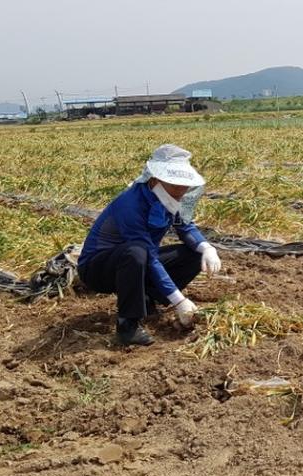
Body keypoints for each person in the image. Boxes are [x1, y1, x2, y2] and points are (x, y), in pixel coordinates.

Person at [78, 145, 222, 346]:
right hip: (98, 268)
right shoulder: (130, 205)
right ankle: (127, 326)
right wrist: (179, 301)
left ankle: (148, 298)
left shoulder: (168, 198)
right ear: (155, 180)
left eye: (184, 185)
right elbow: (148, 255)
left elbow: (185, 227)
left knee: (193, 255)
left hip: (139, 260)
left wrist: (206, 248)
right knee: (136, 253)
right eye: (174, 184)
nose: (181, 190)